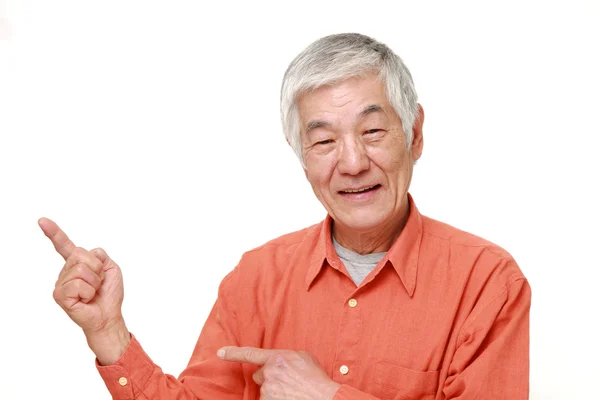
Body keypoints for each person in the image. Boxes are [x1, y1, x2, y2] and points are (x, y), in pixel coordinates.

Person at [39, 33, 531, 400]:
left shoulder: (488, 281)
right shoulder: (255, 278)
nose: (354, 162)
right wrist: (108, 333)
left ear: (416, 133)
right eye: (323, 141)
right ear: (301, 155)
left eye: (374, 130)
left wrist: (328, 396)